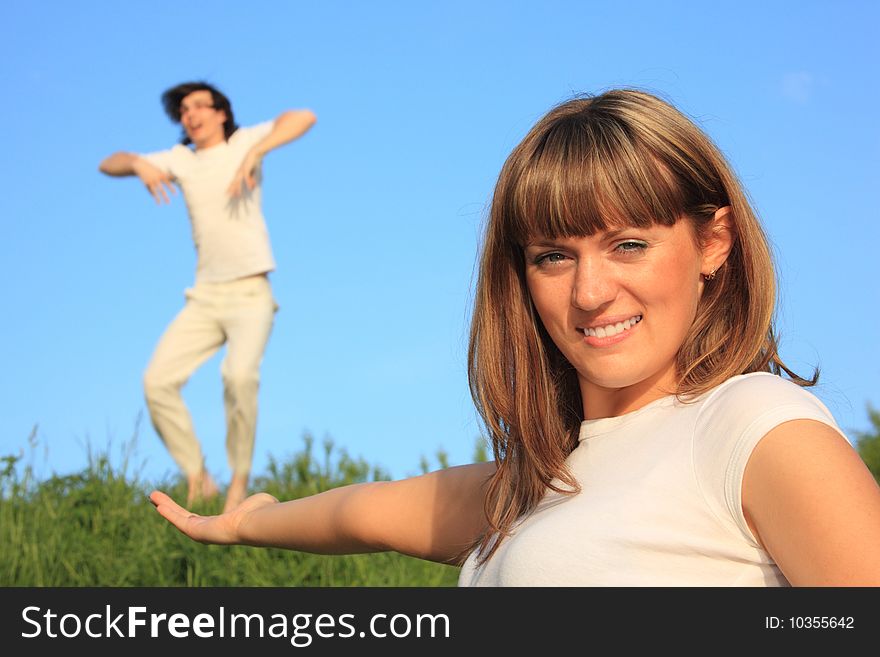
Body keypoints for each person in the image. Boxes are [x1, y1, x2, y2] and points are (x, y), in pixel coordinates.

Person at [150, 89, 880, 585]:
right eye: (553, 256)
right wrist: (246, 521)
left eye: (628, 244)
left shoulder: (754, 427)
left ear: (713, 242)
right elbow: (359, 512)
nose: (590, 291)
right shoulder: (529, 483)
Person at [100, 81, 316, 512]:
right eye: (183, 110)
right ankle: (198, 476)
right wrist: (141, 166)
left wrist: (256, 152)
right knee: (156, 381)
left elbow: (303, 116)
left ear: (221, 112)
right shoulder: (180, 159)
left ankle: (239, 481)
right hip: (204, 297)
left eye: (200, 105)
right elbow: (110, 162)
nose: (191, 114)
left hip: (251, 292)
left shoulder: (244, 141)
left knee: (238, 377)